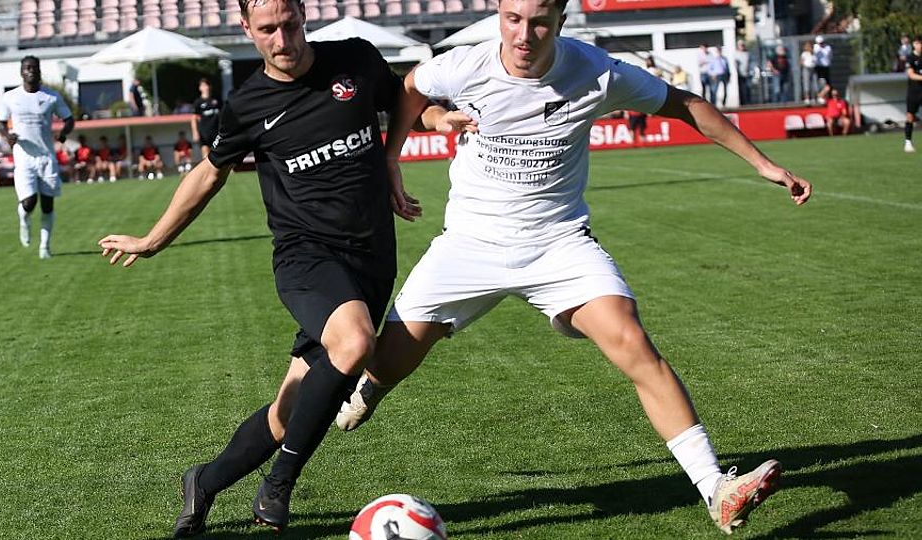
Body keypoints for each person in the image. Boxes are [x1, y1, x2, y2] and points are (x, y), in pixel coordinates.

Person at [335, 0, 813, 535]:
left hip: (558, 245)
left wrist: (764, 164)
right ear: (499, 15)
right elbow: (411, 86)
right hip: (469, 244)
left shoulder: (596, 71)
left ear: (559, 22)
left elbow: (686, 104)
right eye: (512, 19)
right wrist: (392, 156)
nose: (523, 34)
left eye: (538, 22)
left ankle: (715, 488)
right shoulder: (463, 65)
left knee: (632, 342)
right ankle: (371, 389)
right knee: (390, 361)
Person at [97, 0, 436, 536]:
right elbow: (210, 174)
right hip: (306, 256)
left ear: (304, 15)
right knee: (354, 345)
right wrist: (153, 240)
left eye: (291, 24)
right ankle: (278, 486)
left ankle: (204, 481)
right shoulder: (248, 104)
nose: (283, 40)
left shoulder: (356, 59)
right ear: (247, 30)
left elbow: (407, 102)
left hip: (372, 258)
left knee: (289, 412)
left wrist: (445, 118)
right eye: (268, 30)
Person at [0, 55, 75, 259]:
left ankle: (45, 247)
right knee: (29, 202)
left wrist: (64, 132)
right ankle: (24, 219)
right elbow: (0, 122)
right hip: (24, 158)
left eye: (34, 68)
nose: (30, 71)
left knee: (48, 205)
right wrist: (8, 136)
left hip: (47, 158)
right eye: (27, 68)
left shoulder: (51, 97)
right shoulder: (10, 97)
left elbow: (68, 119)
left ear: (39, 71)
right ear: (21, 72)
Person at [192, 77, 222, 157]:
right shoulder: (198, 102)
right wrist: (195, 132)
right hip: (204, 133)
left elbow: (222, 115)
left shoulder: (216, 100)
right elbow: (194, 118)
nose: (206, 87)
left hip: (216, 132)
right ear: (200, 88)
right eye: (203, 85)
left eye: (207, 85)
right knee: (205, 154)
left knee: (218, 153)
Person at [903, 36, 922, 153]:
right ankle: (908, 142)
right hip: (914, 92)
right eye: (918, 43)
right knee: (910, 116)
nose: (920, 46)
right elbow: (911, 74)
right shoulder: (910, 58)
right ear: (914, 44)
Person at [734, 39, 751, 105]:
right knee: (742, 90)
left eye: (743, 45)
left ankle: (748, 102)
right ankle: (743, 103)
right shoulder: (736, 54)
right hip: (740, 75)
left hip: (747, 74)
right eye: (741, 45)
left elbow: (750, 63)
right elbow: (735, 64)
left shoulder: (747, 53)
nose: (742, 46)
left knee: (748, 89)